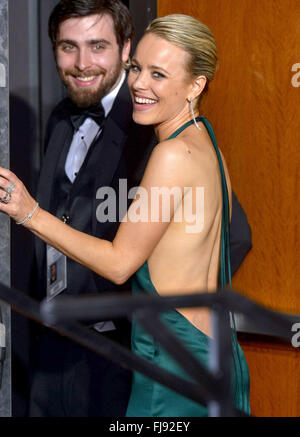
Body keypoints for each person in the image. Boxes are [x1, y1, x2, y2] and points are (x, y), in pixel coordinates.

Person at [1, 6, 251, 417]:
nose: (138, 83)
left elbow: (119, 264)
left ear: (195, 85)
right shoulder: (205, 143)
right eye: (138, 69)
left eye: (159, 74)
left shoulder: (169, 154)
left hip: (167, 359)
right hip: (205, 350)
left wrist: (29, 213)